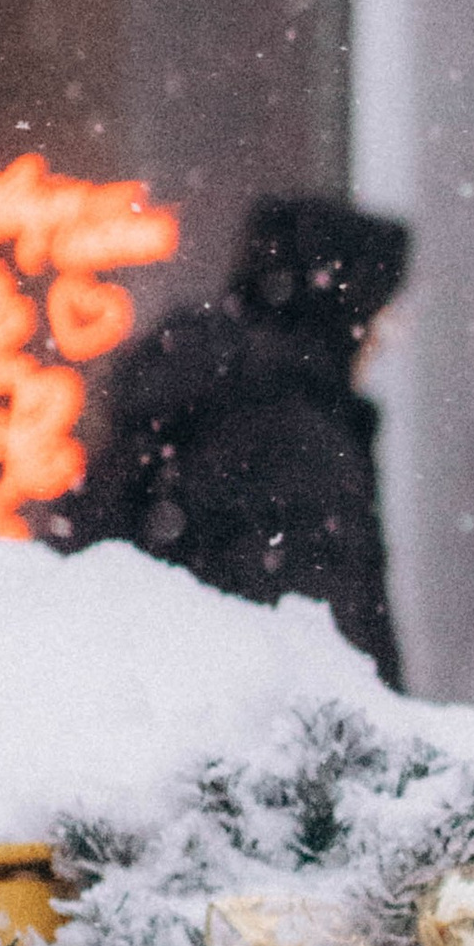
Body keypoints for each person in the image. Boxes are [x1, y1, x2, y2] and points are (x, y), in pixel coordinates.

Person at [57, 193, 409, 686]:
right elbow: (336, 655)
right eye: (383, 313)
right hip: (255, 744)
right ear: (343, 312)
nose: (388, 337)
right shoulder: (298, 439)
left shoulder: (190, 399)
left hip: (137, 719)